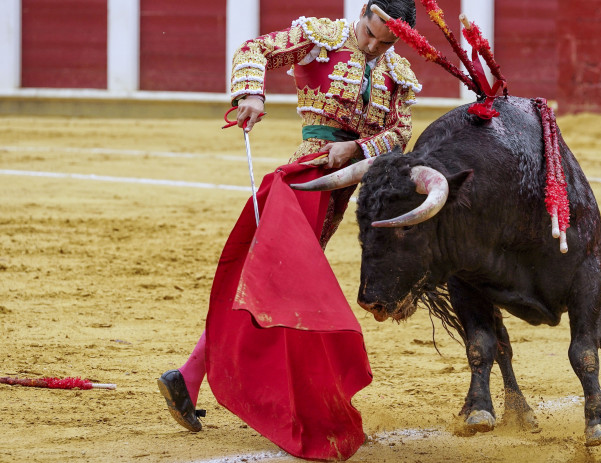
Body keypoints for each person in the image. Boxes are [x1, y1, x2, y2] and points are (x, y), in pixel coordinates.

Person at [158, 0, 419, 435]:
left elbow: (400, 133)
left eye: (384, 42)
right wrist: (252, 95)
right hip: (306, 175)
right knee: (273, 278)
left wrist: (356, 149)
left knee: (271, 278)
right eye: (370, 32)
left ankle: (190, 376)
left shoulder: (400, 75)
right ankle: (193, 375)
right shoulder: (323, 37)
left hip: (346, 183)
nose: (372, 45)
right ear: (362, 13)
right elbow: (255, 49)